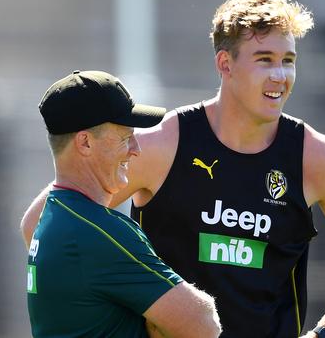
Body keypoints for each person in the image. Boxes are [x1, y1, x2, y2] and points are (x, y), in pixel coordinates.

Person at [22, 0, 325, 338]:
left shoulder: (315, 158)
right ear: (225, 63)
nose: (280, 75)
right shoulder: (166, 144)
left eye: (288, 60)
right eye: (264, 59)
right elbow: (47, 227)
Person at [26, 70, 221, 338]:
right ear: (84, 142)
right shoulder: (98, 231)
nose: (136, 149)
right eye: (124, 137)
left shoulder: (52, 214)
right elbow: (204, 323)